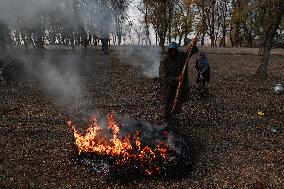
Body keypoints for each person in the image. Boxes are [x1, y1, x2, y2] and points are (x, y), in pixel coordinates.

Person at [160, 39, 198, 121]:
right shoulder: (164, 61)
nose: (173, 52)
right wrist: (177, 79)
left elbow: (189, 52)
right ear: (169, 50)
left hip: (179, 85)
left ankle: (172, 117)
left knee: (176, 102)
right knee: (167, 103)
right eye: (171, 50)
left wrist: (193, 43)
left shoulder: (180, 56)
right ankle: (166, 119)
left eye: (174, 50)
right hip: (169, 86)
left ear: (176, 50)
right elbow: (164, 77)